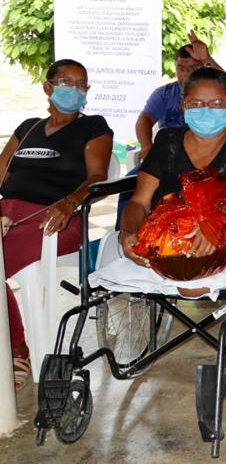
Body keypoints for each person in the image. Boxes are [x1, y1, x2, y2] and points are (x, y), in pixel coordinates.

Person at [0, 59, 113, 388]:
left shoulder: (94, 127)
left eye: (81, 85)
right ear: (48, 87)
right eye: (66, 82)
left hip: (57, 218)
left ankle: (17, 346)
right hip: (8, 211)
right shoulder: (29, 127)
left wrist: (70, 202)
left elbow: (96, 177)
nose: (74, 90)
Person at [117, 68, 226, 296]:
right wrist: (127, 233)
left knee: (193, 286)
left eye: (216, 103)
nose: (205, 111)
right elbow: (139, 202)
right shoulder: (167, 141)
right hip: (164, 245)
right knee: (116, 272)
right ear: (183, 107)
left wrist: (213, 228)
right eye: (196, 104)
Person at [135, 31, 223, 160]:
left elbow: (225, 86)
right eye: (181, 68)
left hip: (206, 155)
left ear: (203, 67)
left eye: (193, 67)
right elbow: (145, 119)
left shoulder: (211, 91)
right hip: (170, 155)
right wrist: (147, 146)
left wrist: (206, 59)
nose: (186, 73)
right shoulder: (163, 94)